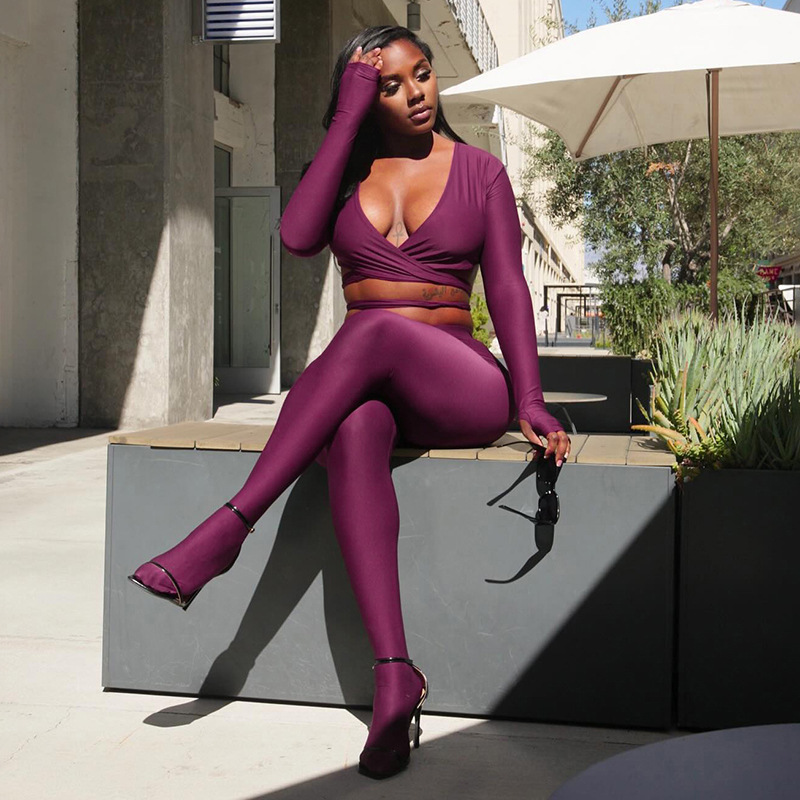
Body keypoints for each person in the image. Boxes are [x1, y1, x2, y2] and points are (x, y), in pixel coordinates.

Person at [129, 25, 571, 780]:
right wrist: (345, 119)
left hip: (462, 381)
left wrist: (529, 396)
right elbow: (298, 237)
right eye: (390, 85)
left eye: (422, 73)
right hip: (376, 384)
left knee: (374, 330)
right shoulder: (341, 173)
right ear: (364, 98)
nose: (416, 93)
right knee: (357, 426)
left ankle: (231, 526)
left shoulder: (481, 172)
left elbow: (506, 286)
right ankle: (395, 676)